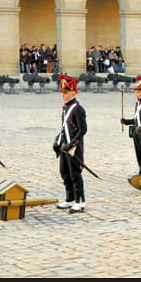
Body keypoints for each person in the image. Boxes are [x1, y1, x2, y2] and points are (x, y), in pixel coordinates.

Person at [53, 74, 88, 214]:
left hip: (74, 146)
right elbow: (65, 127)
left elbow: (82, 129)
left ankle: (80, 201)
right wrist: (57, 141)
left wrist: (72, 143)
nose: (64, 95)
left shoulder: (77, 108)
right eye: (63, 92)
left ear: (74, 92)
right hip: (64, 145)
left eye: (66, 92)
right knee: (64, 173)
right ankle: (70, 198)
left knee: (75, 174)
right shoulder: (66, 108)